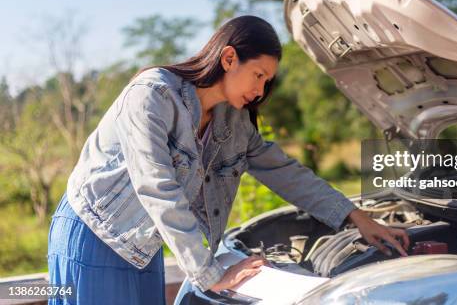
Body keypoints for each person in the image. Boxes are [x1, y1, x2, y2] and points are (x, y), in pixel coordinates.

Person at [47, 15, 409, 304]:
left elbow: (286, 172)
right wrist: (209, 274)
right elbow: (156, 187)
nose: (261, 90)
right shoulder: (152, 95)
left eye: (267, 81)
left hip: (144, 243)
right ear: (229, 58)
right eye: (258, 75)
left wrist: (356, 218)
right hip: (96, 233)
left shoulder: (233, 120)